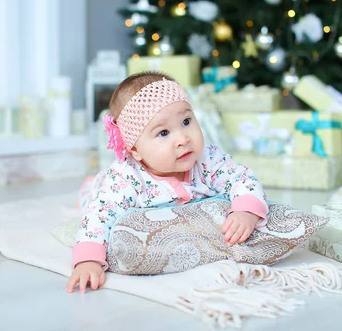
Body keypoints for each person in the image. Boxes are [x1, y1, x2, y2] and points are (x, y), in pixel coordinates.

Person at [66, 72, 268, 293]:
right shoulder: (126, 179)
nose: (183, 139)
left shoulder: (207, 158)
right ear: (135, 149)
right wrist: (88, 260)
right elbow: (99, 216)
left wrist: (246, 209)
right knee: (93, 199)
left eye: (186, 121)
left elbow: (240, 176)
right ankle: (89, 184)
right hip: (102, 187)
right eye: (163, 133)